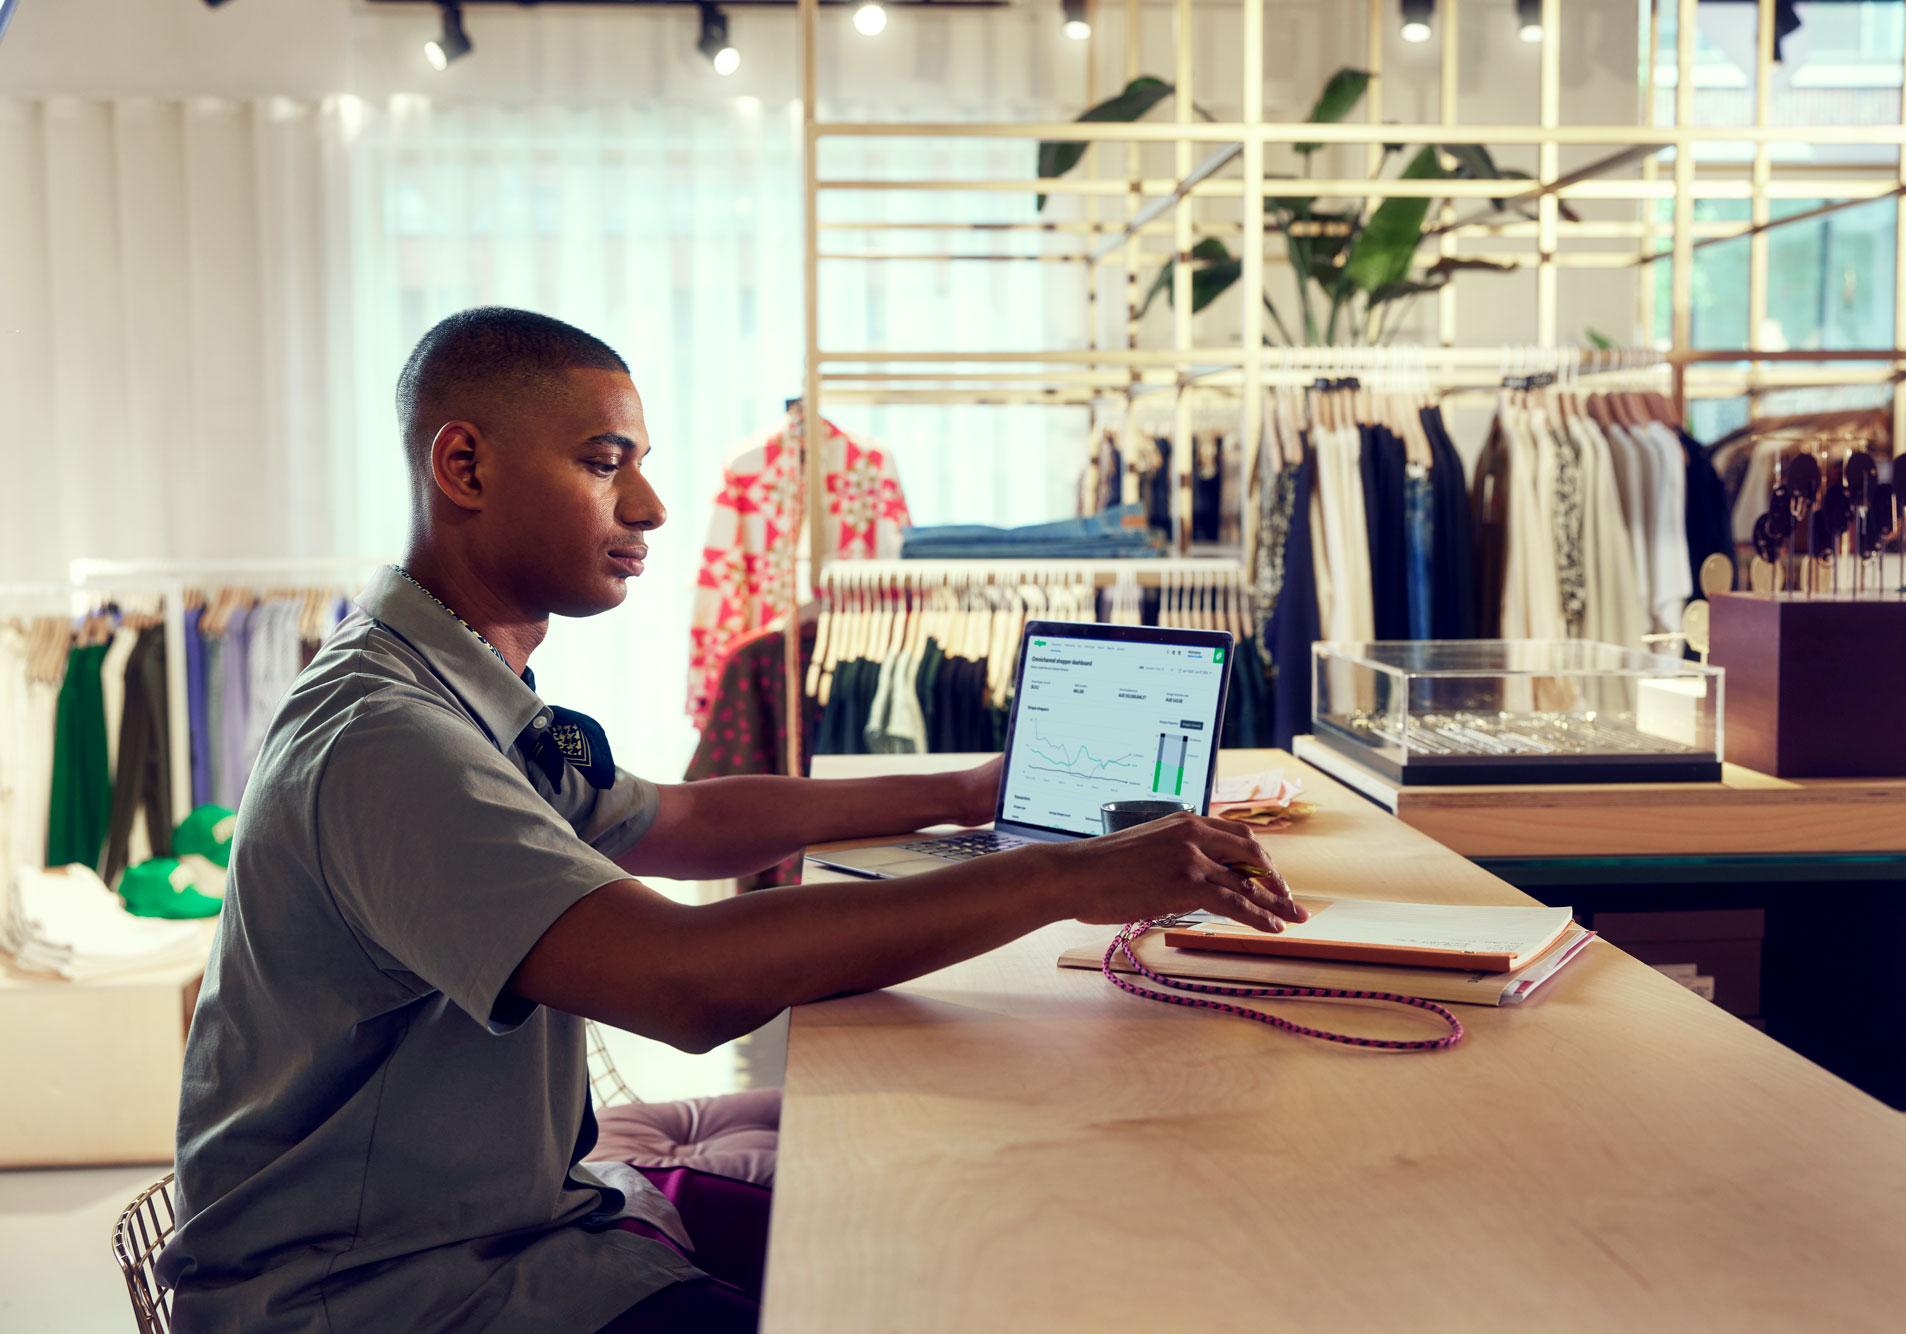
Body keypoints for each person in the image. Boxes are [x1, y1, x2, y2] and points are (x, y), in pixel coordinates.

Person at [157, 307, 1302, 1333]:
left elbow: (686, 817)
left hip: (503, 1223)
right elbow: (684, 980)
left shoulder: (454, 689)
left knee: (929, 1240)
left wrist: (971, 789)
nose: (650, 506)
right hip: (380, 1290)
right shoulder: (388, 741)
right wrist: (1065, 877)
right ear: (462, 463)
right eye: (606, 465)